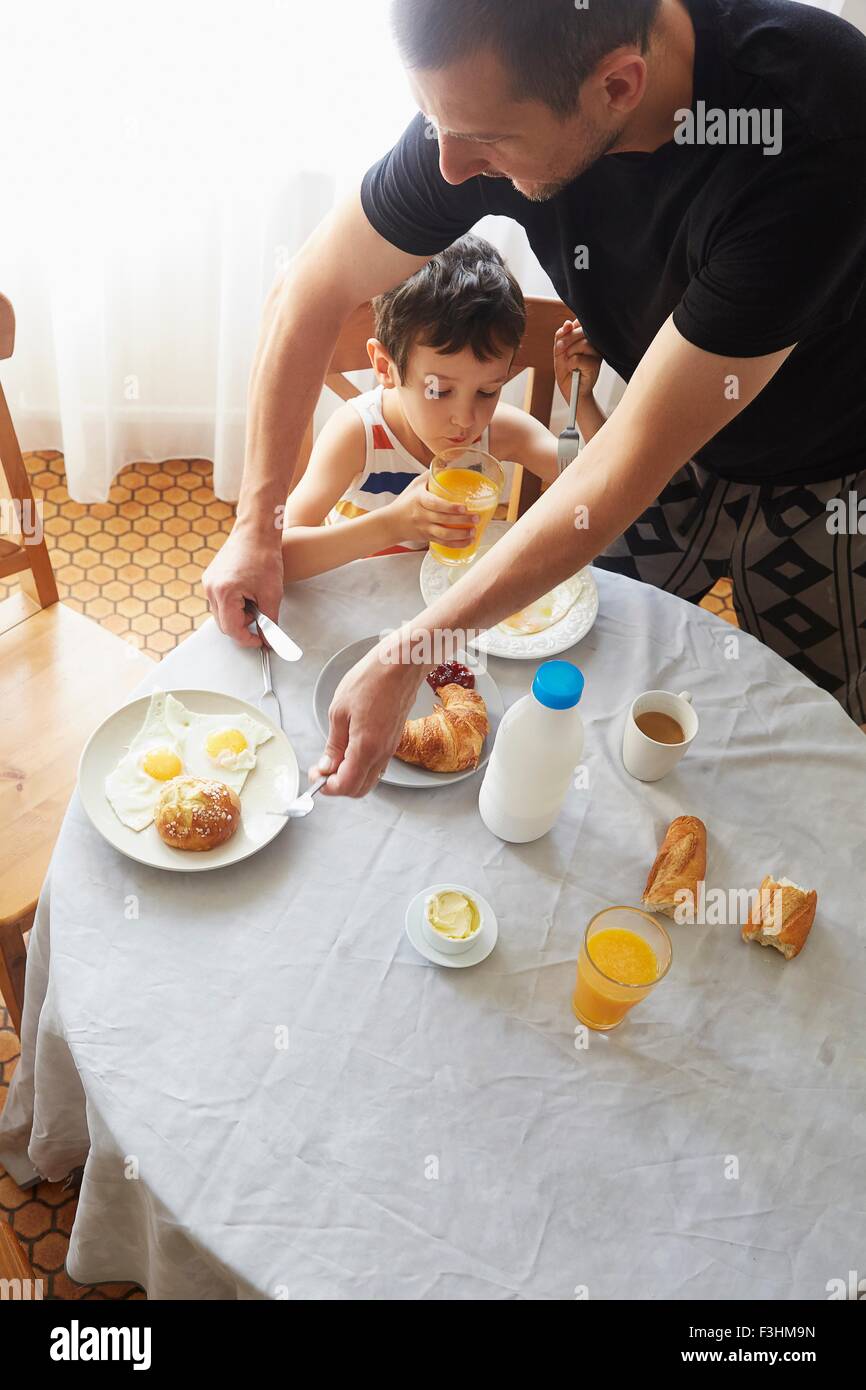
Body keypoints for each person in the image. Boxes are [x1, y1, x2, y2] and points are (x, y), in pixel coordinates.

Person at [204, 0, 866, 796]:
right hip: (651, 438)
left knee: (813, 730)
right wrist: (258, 524)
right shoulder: (485, 101)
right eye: (433, 122)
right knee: (588, 654)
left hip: (826, 463)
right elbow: (308, 289)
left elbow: (619, 465)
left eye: (484, 139)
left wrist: (410, 650)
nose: (447, 164)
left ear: (618, 87)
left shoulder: (814, 128)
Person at [279, 234, 593, 580]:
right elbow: (279, 556)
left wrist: (584, 400)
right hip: (360, 605)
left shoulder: (500, 432)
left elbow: (600, 482)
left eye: (488, 391)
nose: (466, 420)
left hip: (448, 612)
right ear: (385, 368)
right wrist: (392, 525)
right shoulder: (358, 434)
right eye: (440, 391)